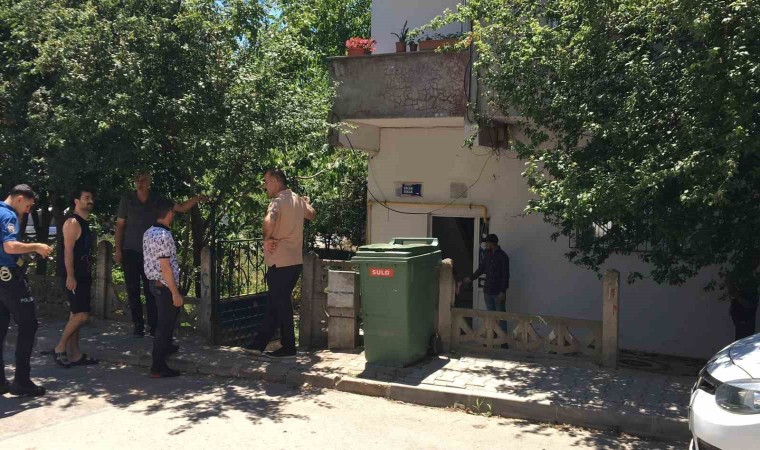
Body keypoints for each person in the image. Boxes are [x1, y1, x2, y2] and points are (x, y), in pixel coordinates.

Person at [115, 170, 205, 337]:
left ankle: (153, 326)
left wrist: (196, 198)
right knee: (132, 289)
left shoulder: (157, 199)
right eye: (137, 180)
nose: (139, 183)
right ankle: (137, 324)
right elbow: (120, 225)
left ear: (149, 181)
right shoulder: (127, 199)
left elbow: (180, 208)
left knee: (152, 290)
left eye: (143, 179)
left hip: (151, 253)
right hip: (130, 249)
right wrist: (118, 249)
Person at [246, 169, 315, 359]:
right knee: (277, 303)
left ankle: (287, 347)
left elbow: (270, 219)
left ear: (276, 181)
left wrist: (266, 238)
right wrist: (305, 202)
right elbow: (312, 214)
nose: (264, 186)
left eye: (266, 181)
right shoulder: (296, 199)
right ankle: (260, 345)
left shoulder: (277, 202)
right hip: (295, 261)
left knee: (280, 304)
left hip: (279, 261)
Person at [0, 184, 53, 396]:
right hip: (9, 279)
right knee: (28, 324)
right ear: (20, 198)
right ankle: (22, 381)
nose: (28, 211)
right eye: (28, 206)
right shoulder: (8, 215)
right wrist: (36, 246)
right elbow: (9, 246)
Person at [52, 189, 99, 368]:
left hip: (83, 274)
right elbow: (68, 251)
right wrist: (70, 275)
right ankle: (60, 347)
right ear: (76, 201)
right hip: (74, 276)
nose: (90, 201)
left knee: (75, 314)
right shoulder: (72, 222)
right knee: (82, 315)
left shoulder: (84, 223)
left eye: (91, 198)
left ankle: (75, 354)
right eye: (86, 198)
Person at [142, 198, 183, 378]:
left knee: (166, 320)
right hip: (164, 285)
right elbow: (165, 267)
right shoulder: (164, 235)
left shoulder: (148, 232)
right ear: (169, 213)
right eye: (173, 212)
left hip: (153, 282)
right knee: (165, 325)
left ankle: (166, 347)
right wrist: (175, 293)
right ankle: (158, 366)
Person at [463, 234, 510, 332]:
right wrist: (471, 278)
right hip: (488, 291)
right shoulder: (487, 255)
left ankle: (503, 338)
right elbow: (481, 269)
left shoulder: (503, 256)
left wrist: (502, 291)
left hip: (498, 292)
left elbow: (505, 276)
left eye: (487, 243)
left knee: (501, 316)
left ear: (492, 243)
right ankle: (492, 336)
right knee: (490, 316)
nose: (486, 245)